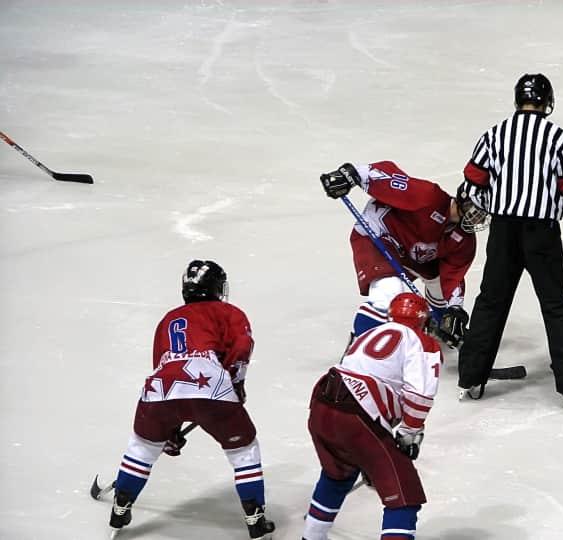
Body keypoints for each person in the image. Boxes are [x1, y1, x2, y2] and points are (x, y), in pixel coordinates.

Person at [107, 260, 274, 539]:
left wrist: (168, 430)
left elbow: (162, 365)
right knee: (243, 449)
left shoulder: (169, 318)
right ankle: (255, 520)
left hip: (160, 391)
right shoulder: (228, 311)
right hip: (211, 388)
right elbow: (242, 346)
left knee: (143, 446)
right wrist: (235, 382)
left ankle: (120, 510)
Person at [456, 73, 563, 412]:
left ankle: (472, 379)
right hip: (541, 231)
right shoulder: (558, 137)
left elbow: (472, 182)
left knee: (491, 301)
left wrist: (495, 206)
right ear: (548, 102)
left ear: (517, 100)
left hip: (503, 231)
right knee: (556, 305)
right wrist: (549, 212)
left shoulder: (495, 134)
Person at [302, 292, 441, 540]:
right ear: (422, 320)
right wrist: (409, 433)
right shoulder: (421, 342)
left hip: (322, 402)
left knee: (337, 475)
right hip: (357, 416)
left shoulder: (367, 334)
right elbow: (420, 396)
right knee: (404, 497)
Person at [319, 160, 488, 349]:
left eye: (484, 215)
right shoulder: (428, 197)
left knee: (440, 287)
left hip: (412, 253)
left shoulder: (465, 240)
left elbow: (453, 278)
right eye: (476, 211)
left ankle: (438, 327)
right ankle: (357, 352)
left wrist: (454, 310)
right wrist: (350, 174)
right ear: (463, 200)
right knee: (389, 291)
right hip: (380, 236)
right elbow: (390, 176)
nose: (479, 219)